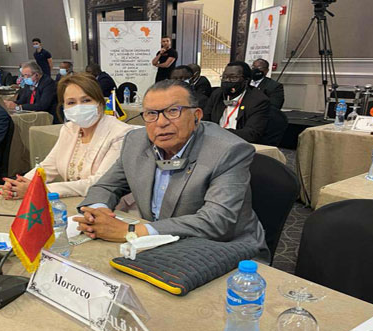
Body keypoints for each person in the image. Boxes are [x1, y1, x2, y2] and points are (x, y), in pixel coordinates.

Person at [73, 80, 268, 259]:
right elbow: (106, 186)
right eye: (151, 114)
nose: (161, 122)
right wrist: (97, 214)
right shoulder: (135, 141)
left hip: (223, 250)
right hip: (159, 247)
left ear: (196, 116)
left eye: (173, 111)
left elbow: (216, 221)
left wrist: (131, 231)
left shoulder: (228, 150)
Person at [0, 73, 134, 199]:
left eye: (86, 100)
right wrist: (19, 184)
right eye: (71, 103)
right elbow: (48, 166)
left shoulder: (120, 133)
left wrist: (39, 190)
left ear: (100, 102)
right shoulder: (69, 129)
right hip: (73, 203)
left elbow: (100, 182)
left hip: (112, 206)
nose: (79, 107)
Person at [204, 61, 270, 144]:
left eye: (233, 77)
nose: (227, 80)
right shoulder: (217, 95)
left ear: (246, 80)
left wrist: (220, 133)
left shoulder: (258, 100)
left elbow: (252, 133)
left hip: (240, 144)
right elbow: (205, 121)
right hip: (213, 141)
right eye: (224, 77)